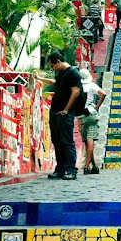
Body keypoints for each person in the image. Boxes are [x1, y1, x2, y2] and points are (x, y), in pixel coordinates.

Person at [33, 52, 82, 180]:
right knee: (57, 141)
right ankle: (60, 168)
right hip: (55, 111)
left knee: (66, 141)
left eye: (53, 66)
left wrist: (66, 110)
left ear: (59, 61)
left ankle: (70, 169)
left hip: (64, 113)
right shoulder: (61, 74)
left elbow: (75, 92)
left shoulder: (73, 73)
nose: (52, 68)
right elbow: (55, 82)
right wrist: (39, 79)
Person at [78, 69, 106, 175]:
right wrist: (97, 106)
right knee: (90, 141)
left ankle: (90, 166)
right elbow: (103, 94)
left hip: (81, 115)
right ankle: (90, 166)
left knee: (87, 141)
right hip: (91, 113)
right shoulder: (91, 85)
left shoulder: (77, 87)